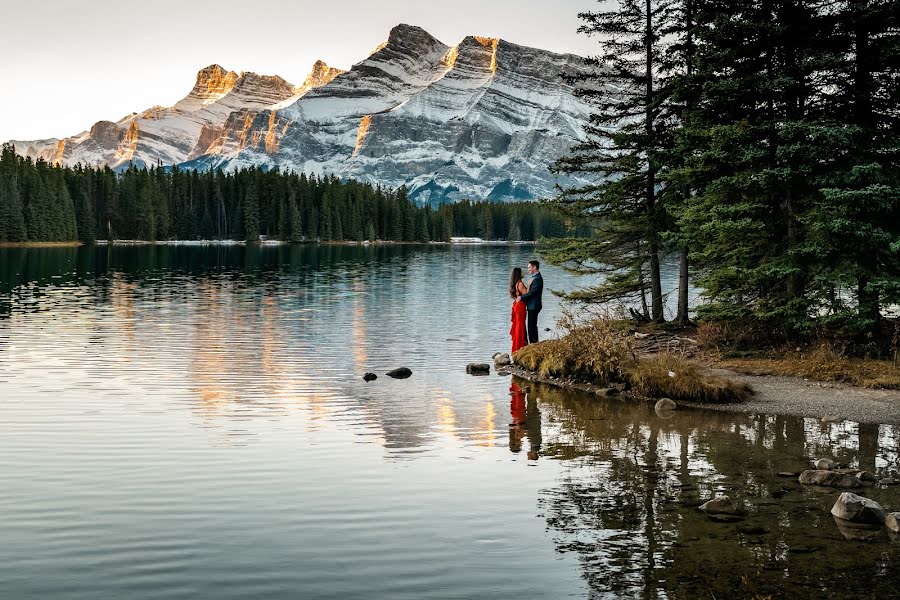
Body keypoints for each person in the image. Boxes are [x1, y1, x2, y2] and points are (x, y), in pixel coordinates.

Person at [516, 260, 543, 344]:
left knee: (532, 326)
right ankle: (534, 343)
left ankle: (534, 343)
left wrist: (521, 297)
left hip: (534, 305)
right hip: (532, 305)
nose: (528, 269)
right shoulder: (535, 277)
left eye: (529, 267)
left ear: (534, 267)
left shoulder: (537, 278)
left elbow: (532, 292)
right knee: (531, 326)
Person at [509, 267, 528, 354]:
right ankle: (520, 346)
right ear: (518, 274)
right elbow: (527, 295)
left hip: (517, 305)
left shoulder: (516, 283)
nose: (524, 272)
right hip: (520, 306)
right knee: (520, 326)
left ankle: (518, 347)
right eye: (522, 271)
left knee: (518, 325)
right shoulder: (520, 284)